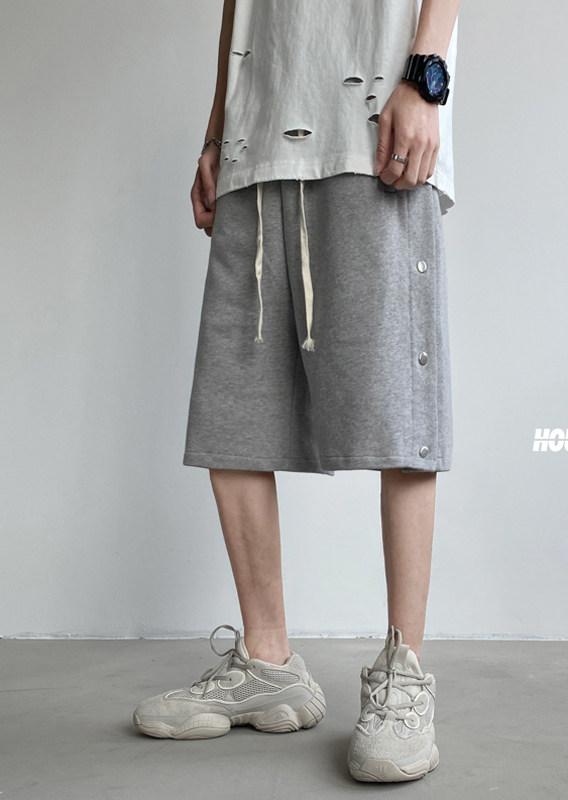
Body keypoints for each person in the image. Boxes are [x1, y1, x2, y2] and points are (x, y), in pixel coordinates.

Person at [132, 0, 460, 783]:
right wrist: (218, 130)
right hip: (256, 133)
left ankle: (404, 675)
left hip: (374, 118)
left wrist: (426, 76)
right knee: (234, 406)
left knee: (396, 408)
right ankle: (268, 661)